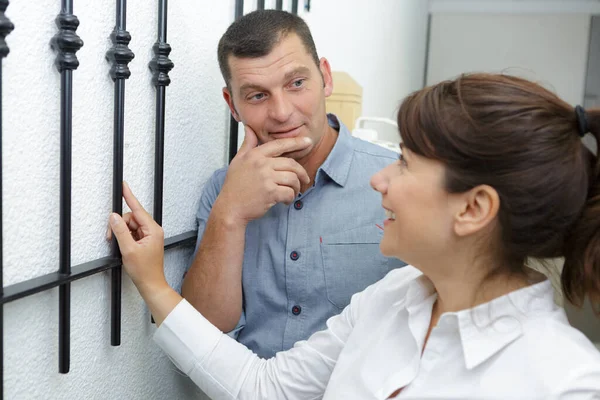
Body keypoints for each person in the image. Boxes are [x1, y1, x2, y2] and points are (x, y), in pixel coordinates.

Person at [110, 73, 600, 398]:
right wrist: (153, 283)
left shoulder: (565, 383)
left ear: (473, 208)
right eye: (256, 93)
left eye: (406, 164)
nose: (380, 179)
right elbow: (263, 389)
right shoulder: (392, 298)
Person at [180, 9, 405, 358]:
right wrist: (230, 214)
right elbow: (202, 335)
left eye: (296, 84)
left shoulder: (396, 181)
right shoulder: (222, 190)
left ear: (325, 77)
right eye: (257, 96)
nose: (282, 112)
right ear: (232, 105)